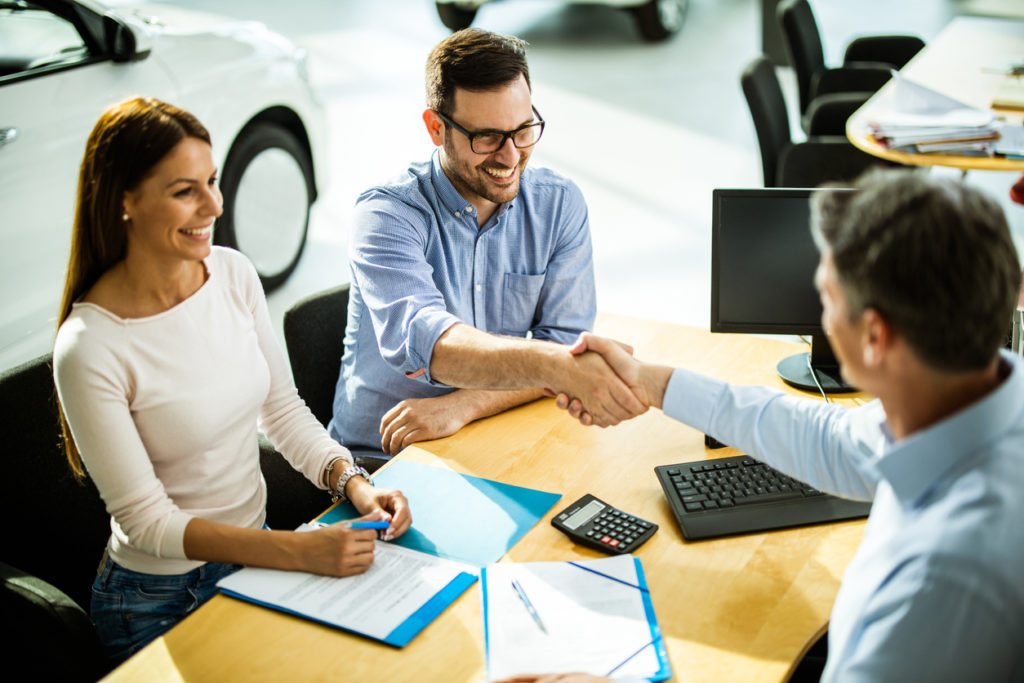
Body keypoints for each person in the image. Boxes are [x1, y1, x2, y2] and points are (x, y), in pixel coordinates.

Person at [527, 169, 1024, 682]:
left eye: (826, 298)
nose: (821, 316)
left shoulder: (945, 577)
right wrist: (652, 383)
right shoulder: (966, 400)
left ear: (875, 336)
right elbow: (831, 441)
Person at [52, 97, 411, 664]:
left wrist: (354, 483)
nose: (215, 204)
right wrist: (295, 552)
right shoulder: (89, 346)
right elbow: (148, 524)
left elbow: (283, 411)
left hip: (257, 558)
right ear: (125, 200)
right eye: (184, 190)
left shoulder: (233, 274)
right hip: (156, 599)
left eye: (212, 181)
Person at [329, 28, 644, 463]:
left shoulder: (558, 204)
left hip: (490, 438)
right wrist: (558, 367)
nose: (511, 157)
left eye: (523, 130)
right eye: (487, 138)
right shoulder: (385, 216)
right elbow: (434, 346)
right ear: (436, 128)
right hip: (380, 465)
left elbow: (563, 342)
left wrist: (464, 405)